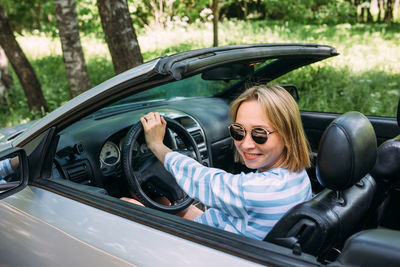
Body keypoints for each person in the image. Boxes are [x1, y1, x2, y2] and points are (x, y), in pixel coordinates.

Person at [122, 85, 312, 240]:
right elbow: (222, 211)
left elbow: (205, 180)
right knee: (168, 203)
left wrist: (156, 145)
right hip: (229, 233)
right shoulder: (298, 175)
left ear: (288, 135)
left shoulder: (257, 191)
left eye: (259, 134)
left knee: (125, 205)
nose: (245, 144)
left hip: (205, 252)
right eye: (238, 131)